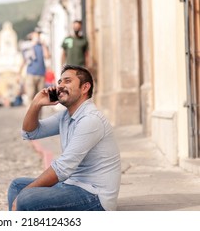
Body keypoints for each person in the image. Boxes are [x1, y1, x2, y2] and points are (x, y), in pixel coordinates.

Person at [7, 65, 121, 211]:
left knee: (25, 198)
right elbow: (30, 132)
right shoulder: (66, 116)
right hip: (71, 185)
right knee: (17, 186)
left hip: (94, 196)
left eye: (67, 81)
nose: (60, 86)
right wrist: (36, 104)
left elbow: (62, 168)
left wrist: (25, 194)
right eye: (59, 82)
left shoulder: (90, 120)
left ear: (85, 87)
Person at [19, 28, 50, 105]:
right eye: (37, 34)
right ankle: (30, 115)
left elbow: (47, 56)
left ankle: (39, 116)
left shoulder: (42, 46)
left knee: (40, 96)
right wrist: (19, 73)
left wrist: (43, 45)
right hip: (31, 74)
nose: (38, 36)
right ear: (32, 35)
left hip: (41, 74)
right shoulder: (27, 46)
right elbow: (24, 60)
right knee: (31, 95)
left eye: (39, 34)